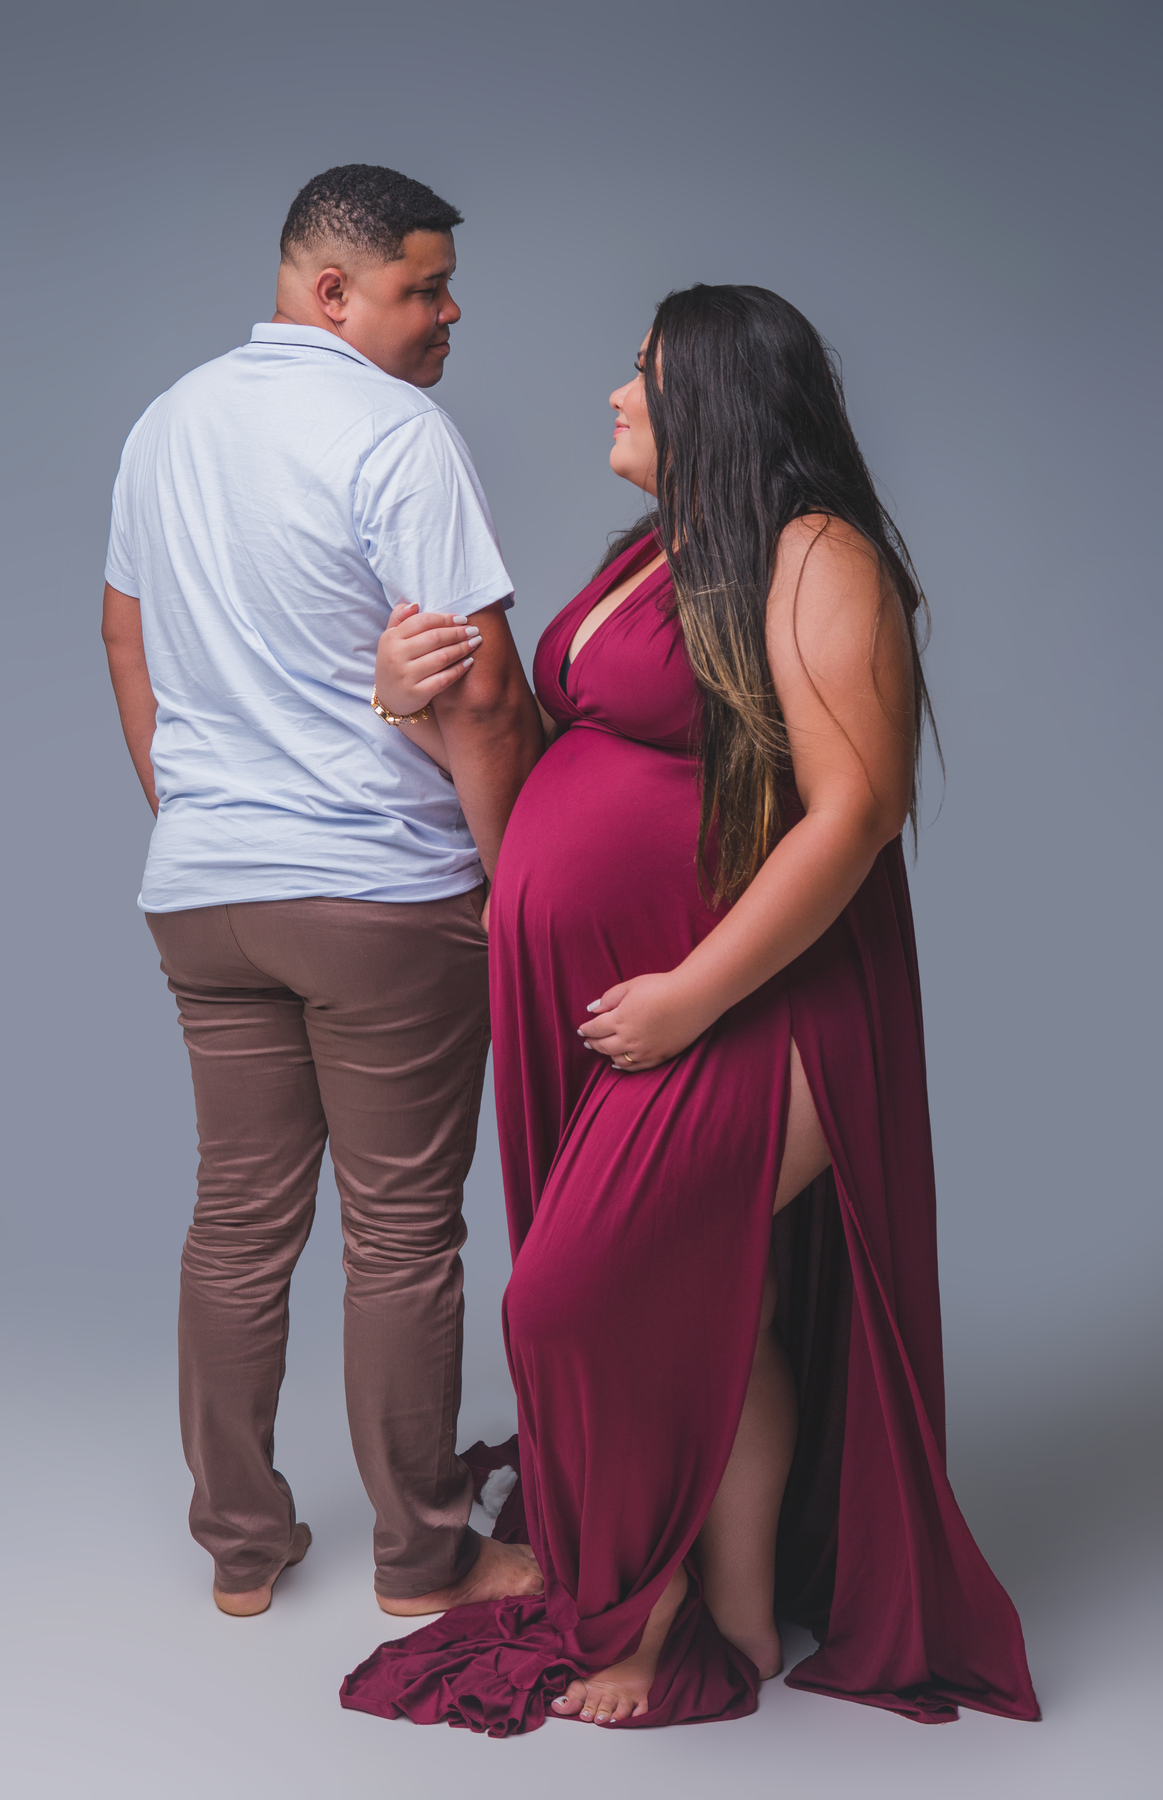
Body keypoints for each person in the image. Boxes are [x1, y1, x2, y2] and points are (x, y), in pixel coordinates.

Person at [340, 284, 1040, 1731]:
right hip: (635, 991)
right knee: (706, 1299)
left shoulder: (820, 554)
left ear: (716, 399)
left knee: (574, 1298)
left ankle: (649, 1610)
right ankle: (742, 1611)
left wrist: (685, 999)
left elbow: (855, 814)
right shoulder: (659, 551)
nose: (616, 394)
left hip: (758, 998)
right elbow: (560, 755)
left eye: (645, 375)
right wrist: (415, 704)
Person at [101, 163, 545, 1619]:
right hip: (381, 897)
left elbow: (124, 635)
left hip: (205, 893)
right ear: (334, 290)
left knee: (237, 1222)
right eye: (427, 288)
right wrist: (518, 883)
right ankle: (423, 1558)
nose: (450, 313)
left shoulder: (166, 422)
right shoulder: (398, 432)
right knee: (402, 1233)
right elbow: (483, 692)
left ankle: (241, 1548)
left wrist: (197, 813)